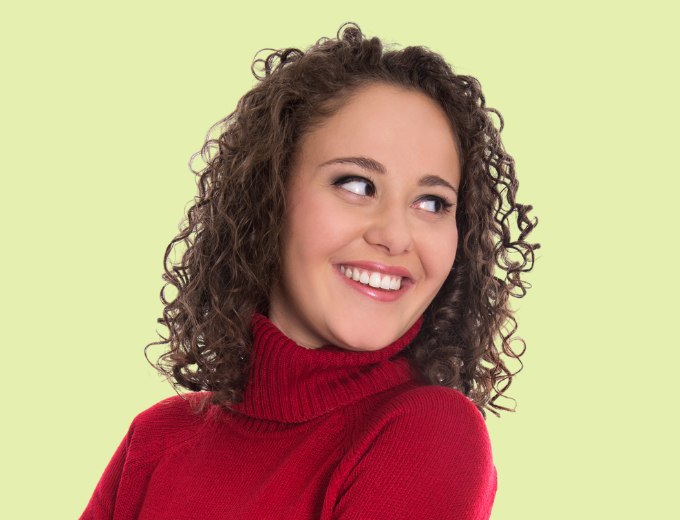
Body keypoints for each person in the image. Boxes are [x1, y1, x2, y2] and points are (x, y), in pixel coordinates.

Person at [80, 22, 539, 519]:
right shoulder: (156, 440)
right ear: (270, 196)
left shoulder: (430, 432)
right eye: (357, 185)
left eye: (432, 202)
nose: (396, 235)